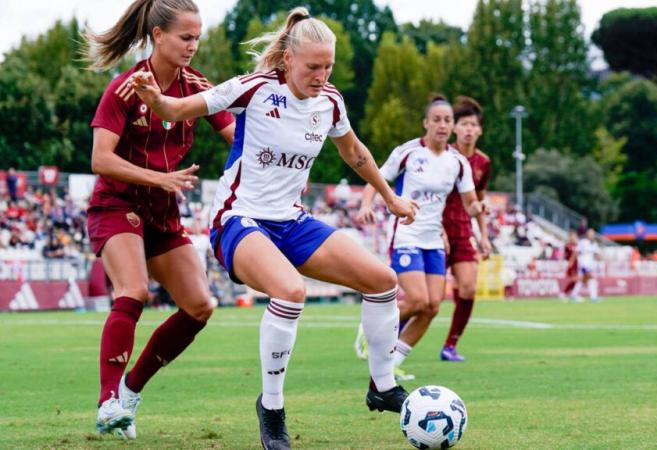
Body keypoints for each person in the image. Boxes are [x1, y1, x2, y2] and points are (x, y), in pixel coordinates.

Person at [130, 7, 417, 449]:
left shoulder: (331, 102)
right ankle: (273, 407)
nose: (322, 76)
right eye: (313, 67)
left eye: (328, 67)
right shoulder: (255, 89)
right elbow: (180, 107)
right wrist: (156, 100)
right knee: (290, 290)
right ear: (288, 60)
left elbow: (355, 152)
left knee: (382, 281)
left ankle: (381, 385)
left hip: (290, 219)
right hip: (238, 220)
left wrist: (391, 196)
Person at [85, 0, 235, 439]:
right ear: (158, 37)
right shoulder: (124, 89)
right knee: (133, 291)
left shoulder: (195, 86)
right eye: (186, 37)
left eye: (197, 38)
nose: (193, 46)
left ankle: (130, 391)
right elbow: (100, 159)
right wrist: (159, 177)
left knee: (201, 305)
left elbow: (233, 135)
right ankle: (106, 401)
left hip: (163, 214)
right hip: (117, 206)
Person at [357, 95, 484, 380]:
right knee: (416, 300)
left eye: (447, 120)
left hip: (433, 240)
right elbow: (377, 178)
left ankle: (392, 363)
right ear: (426, 123)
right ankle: (370, 333)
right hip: (406, 233)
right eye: (436, 119)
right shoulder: (408, 152)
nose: (442, 125)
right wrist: (366, 205)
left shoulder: (457, 162)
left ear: (452, 126)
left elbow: (470, 202)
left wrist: (479, 208)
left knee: (432, 306)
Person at [440, 96, 492, 362]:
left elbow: (479, 200)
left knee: (469, 288)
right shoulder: (443, 156)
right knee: (429, 300)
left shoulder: (483, 163)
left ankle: (450, 345)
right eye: (464, 124)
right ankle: (390, 337)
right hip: (436, 230)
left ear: (480, 130)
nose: (469, 129)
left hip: (463, 232)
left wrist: (484, 235)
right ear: (455, 128)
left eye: (474, 125)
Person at [571, 228, 601, 302]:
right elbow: (576, 252)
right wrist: (571, 261)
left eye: (593, 234)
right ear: (587, 235)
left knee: (582, 281)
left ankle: (573, 295)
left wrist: (599, 258)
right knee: (592, 279)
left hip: (590, 266)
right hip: (583, 265)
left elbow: (598, 254)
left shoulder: (594, 244)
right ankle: (594, 298)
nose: (592, 235)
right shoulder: (583, 242)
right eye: (590, 234)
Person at [559, 230, 579, 302]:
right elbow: (566, 255)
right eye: (573, 236)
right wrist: (569, 262)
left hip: (576, 264)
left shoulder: (576, 245)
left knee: (576, 280)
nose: (575, 238)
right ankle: (564, 293)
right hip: (572, 264)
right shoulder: (568, 245)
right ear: (570, 237)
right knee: (574, 279)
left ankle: (572, 295)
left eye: (575, 236)